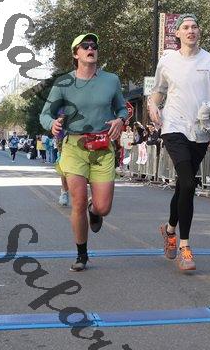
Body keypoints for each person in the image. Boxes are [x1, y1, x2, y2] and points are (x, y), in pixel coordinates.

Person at [148, 14, 210, 271]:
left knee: (183, 186)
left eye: (194, 27)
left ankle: (169, 229)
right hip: (174, 126)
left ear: (199, 32)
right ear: (177, 33)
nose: (191, 30)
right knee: (189, 183)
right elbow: (158, 91)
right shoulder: (167, 61)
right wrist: (152, 105)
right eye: (186, 27)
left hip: (201, 130)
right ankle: (185, 247)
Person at [40, 32, 128, 272]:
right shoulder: (63, 83)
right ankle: (82, 255)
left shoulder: (111, 80)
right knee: (77, 202)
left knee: (103, 207)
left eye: (94, 45)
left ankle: (94, 210)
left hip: (102, 147)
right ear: (76, 54)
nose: (91, 48)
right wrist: (52, 124)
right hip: (74, 146)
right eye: (85, 45)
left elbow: (122, 108)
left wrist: (120, 120)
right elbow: (45, 114)